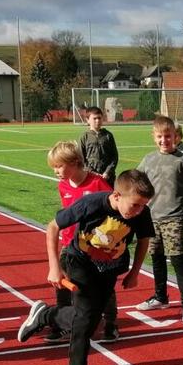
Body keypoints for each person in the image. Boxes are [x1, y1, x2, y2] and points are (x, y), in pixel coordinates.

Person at [17, 168, 155, 365]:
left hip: (109, 269)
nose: (138, 211)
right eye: (134, 205)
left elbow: (144, 239)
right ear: (116, 196)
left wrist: (135, 272)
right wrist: (54, 267)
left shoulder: (141, 213)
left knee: (90, 320)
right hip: (79, 262)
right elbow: (52, 227)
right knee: (84, 323)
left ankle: (45, 315)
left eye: (143, 206)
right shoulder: (91, 204)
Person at [137, 115, 183, 326]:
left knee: (178, 260)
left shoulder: (182, 160)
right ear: (153, 137)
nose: (164, 141)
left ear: (175, 137)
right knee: (157, 258)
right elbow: (134, 181)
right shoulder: (148, 160)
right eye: (160, 137)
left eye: (168, 136)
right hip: (151, 219)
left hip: (174, 219)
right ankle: (161, 296)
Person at [47, 140, 119, 342]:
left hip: (95, 246)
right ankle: (62, 323)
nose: (56, 171)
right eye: (54, 167)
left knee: (103, 285)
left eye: (59, 166)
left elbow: (113, 209)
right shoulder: (63, 186)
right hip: (69, 244)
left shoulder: (97, 184)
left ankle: (110, 323)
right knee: (62, 283)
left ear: (75, 162)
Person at [78, 105, 118, 186]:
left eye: (99, 118)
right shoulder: (84, 137)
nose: (97, 121)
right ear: (87, 120)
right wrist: (92, 172)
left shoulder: (108, 135)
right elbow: (81, 158)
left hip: (107, 177)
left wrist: (107, 172)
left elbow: (114, 157)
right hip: (90, 177)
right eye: (94, 118)